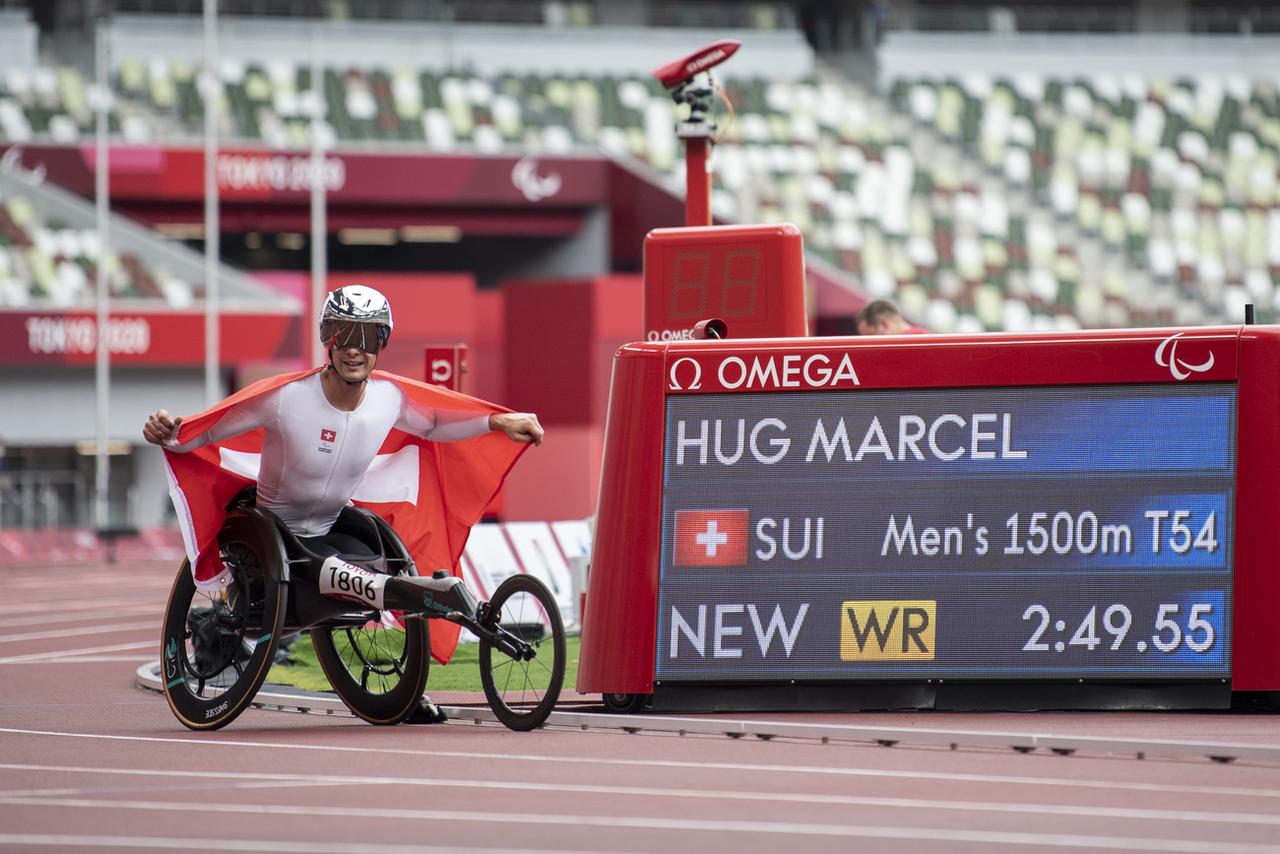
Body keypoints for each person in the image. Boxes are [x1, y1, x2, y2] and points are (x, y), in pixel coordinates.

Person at [144, 284, 543, 722]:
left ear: (382, 345)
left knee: (387, 563)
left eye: (368, 337)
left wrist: (499, 421)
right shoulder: (285, 398)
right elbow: (205, 433)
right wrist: (168, 430)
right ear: (326, 340)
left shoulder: (390, 399)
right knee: (347, 574)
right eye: (343, 334)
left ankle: (413, 666)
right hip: (273, 537)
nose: (355, 348)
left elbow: (434, 423)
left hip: (333, 532)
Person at [855, 299, 927, 335]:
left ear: (884, 324)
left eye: (870, 335)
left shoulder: (914, 342)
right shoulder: (924, 337)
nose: (866, 344)